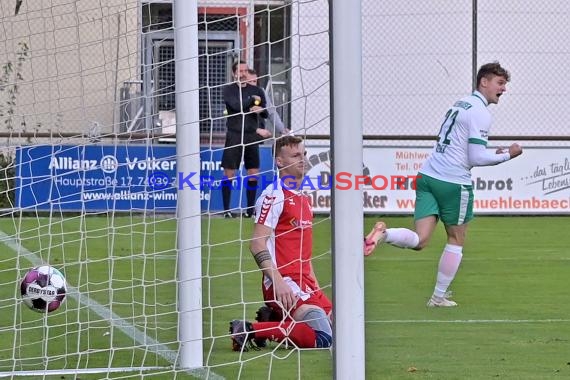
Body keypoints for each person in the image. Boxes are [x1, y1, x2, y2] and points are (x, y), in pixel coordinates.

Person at [364, 62, 523, 307]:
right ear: (484, 82)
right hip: (453, 183)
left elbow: (462, 146)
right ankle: (438, 296)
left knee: (421, 240)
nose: (504, 89)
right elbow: (476, 158)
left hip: (428, 176)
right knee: (456, 239)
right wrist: (507, 155)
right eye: (500, 83)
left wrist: (496, 150)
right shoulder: (481, 112)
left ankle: (384, 235)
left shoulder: (458, 104)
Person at [229, 135, 333, 351]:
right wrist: (278, 282)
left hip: (305, 284)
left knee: (344, 328)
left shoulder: (303, 197)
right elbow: (257, 243)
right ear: (279, 161)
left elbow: (304, 254)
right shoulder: (274, 195)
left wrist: (316, 289)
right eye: (296, 155)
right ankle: (249, 329)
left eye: (304, 154)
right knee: (323, 339)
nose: (303, 159)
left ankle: (275, 318)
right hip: (283, 282)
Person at [221, 61, 272, 218]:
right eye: (239, 71)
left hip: (251, 135)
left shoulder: (257, 90)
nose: (242, 74)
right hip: (234, 134)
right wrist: (251, 101)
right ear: (233, 73)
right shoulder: (228, 90)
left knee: (253, 172)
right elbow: (236, 106)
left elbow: (265, 113)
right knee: (230, 172)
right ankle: (227, 210)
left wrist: (260, 109)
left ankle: (250, 210)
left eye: (244, 70)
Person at [246, 68, 291, 136]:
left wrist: (282, 129)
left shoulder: (261, 92)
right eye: (249, 81)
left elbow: (271, 112)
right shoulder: (236, 93)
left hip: (257, 133)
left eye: (254, 81)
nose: (252, 84)